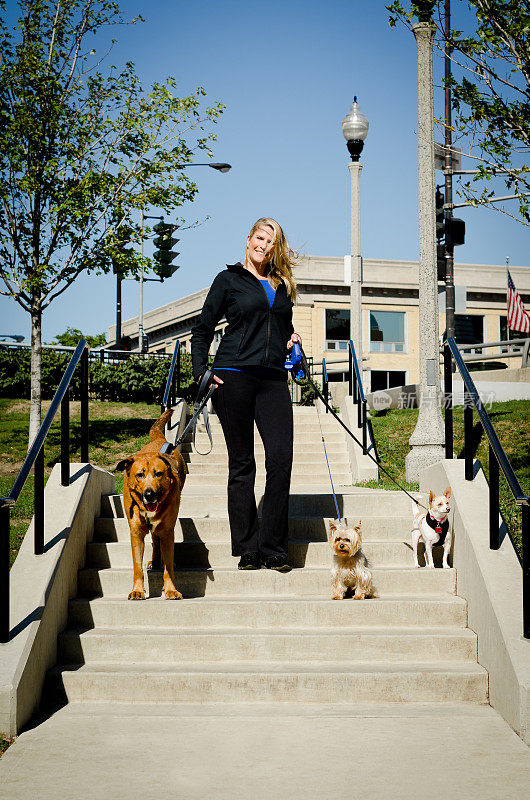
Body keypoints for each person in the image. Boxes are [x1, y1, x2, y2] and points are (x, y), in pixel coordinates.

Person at [190, 217, 301, 571]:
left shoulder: (281, 285)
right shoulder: (228, 280)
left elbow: (281, 326)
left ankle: (274, 547)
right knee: (242, 464)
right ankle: (248, 548)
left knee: (281, 458)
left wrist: (292, 338)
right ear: (248, 238)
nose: (263, 245)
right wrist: (201, 373)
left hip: (272, 379)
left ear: (275, 248)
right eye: (259, 237)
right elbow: (202, 329)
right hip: (232, 376)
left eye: (271, 242)